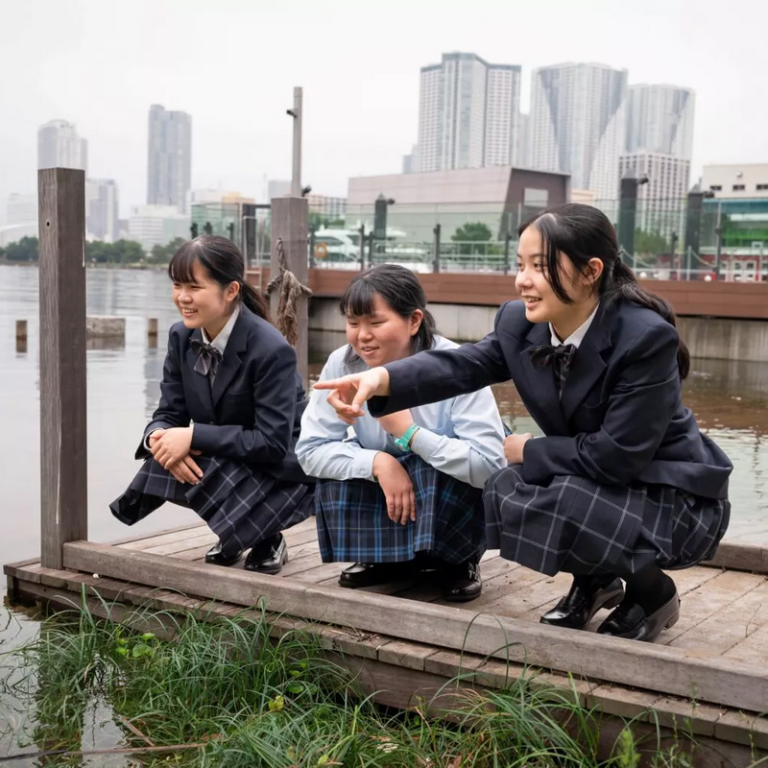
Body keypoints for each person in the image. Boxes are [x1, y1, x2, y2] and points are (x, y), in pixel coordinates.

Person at [314, 204, 732, 642]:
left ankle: (652, 592)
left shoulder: (644, 336)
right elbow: (460, 366)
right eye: (520, 265)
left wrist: (529, 450)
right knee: (506, 486)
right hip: (591, 478)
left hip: (671, 491)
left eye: (539, 266)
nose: (522, 280)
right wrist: (380, 379)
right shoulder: (520, 323)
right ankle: (594, 579)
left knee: (554, 491)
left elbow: (618, 456)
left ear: (590, 271)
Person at [296, 264, 506, 602]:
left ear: (414, 320)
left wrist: (409, 434)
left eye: (376, 323)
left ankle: (458, 561)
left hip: (447, 488)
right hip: (387, 485)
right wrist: (378, 462)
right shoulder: (342, 364)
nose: (362, 336)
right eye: (353, 323)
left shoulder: (456, 365)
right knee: (340, 470)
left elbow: (490, 467)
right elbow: (310, 451)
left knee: (431, 466)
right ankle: (385, 558)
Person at [111, 236, 313, 573]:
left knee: (197, 450)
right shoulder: (181, 337)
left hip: (284, 469)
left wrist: (191, 437)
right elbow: (168, 412)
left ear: (231, 290)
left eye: (194, 286)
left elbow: (273, 443)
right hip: (232, 453)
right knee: (164, 459)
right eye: (177, 285)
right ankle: (234, 533)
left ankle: (268, 537)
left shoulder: (271, 349)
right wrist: (159, 439)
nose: (182, 297)